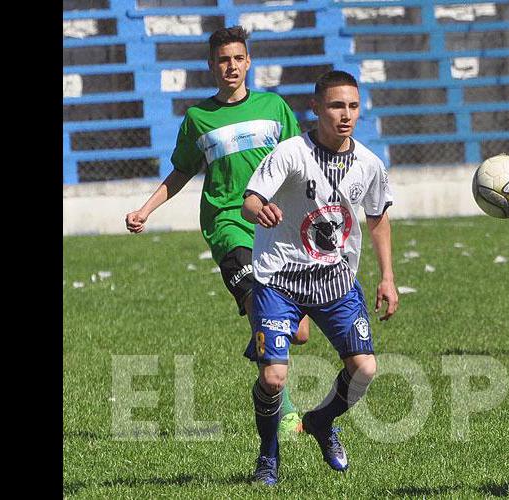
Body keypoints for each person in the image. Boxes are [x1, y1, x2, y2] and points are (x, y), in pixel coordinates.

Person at [123, 26, 310, 437]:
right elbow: (181, 173)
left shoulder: (274, 107)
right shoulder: (198, 118)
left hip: (276, 224)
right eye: (223, 59)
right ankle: (284, 408)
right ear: (211, 65)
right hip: (228, 225)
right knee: (260, 300)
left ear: (248, 62)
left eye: (238, 58)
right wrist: (145, 209)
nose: (231, 66)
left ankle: (261, 346)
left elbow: (300, 165)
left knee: (298, 331)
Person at [241, 70, 398, 486]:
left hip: (336, 281)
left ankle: (322, 421)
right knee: (273, 377)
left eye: (352, 106)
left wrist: (387, 276)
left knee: (365, 368)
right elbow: (251, 199)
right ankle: (267, 457)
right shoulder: (292, 152)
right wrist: (260, 210)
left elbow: (378, 218)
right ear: (316, 108)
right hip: (279, 279)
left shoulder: (369, 164)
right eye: (335, 106)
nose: (345, 115)